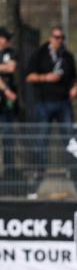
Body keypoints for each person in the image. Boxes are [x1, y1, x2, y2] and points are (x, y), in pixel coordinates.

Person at [25, 26, 77, 192]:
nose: (59, 40)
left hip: (63, 102)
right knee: (41, 139)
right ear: (50, 38)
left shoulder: (67, 56)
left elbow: (74, 78)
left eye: (62, 37)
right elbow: (29, 76)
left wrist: (75, 88)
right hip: (44, 102)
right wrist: (45, 77)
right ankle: (39, 172)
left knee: (70, 138)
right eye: (56, 37)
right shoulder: (40, 54)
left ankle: (73, 170)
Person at [0, 27, 18, 183]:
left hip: (5, 106)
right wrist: (5, 88)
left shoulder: (10, 53)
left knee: (8, 138)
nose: (8, 41)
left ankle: (9, 171)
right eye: (5, 38)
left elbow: (12, 67)